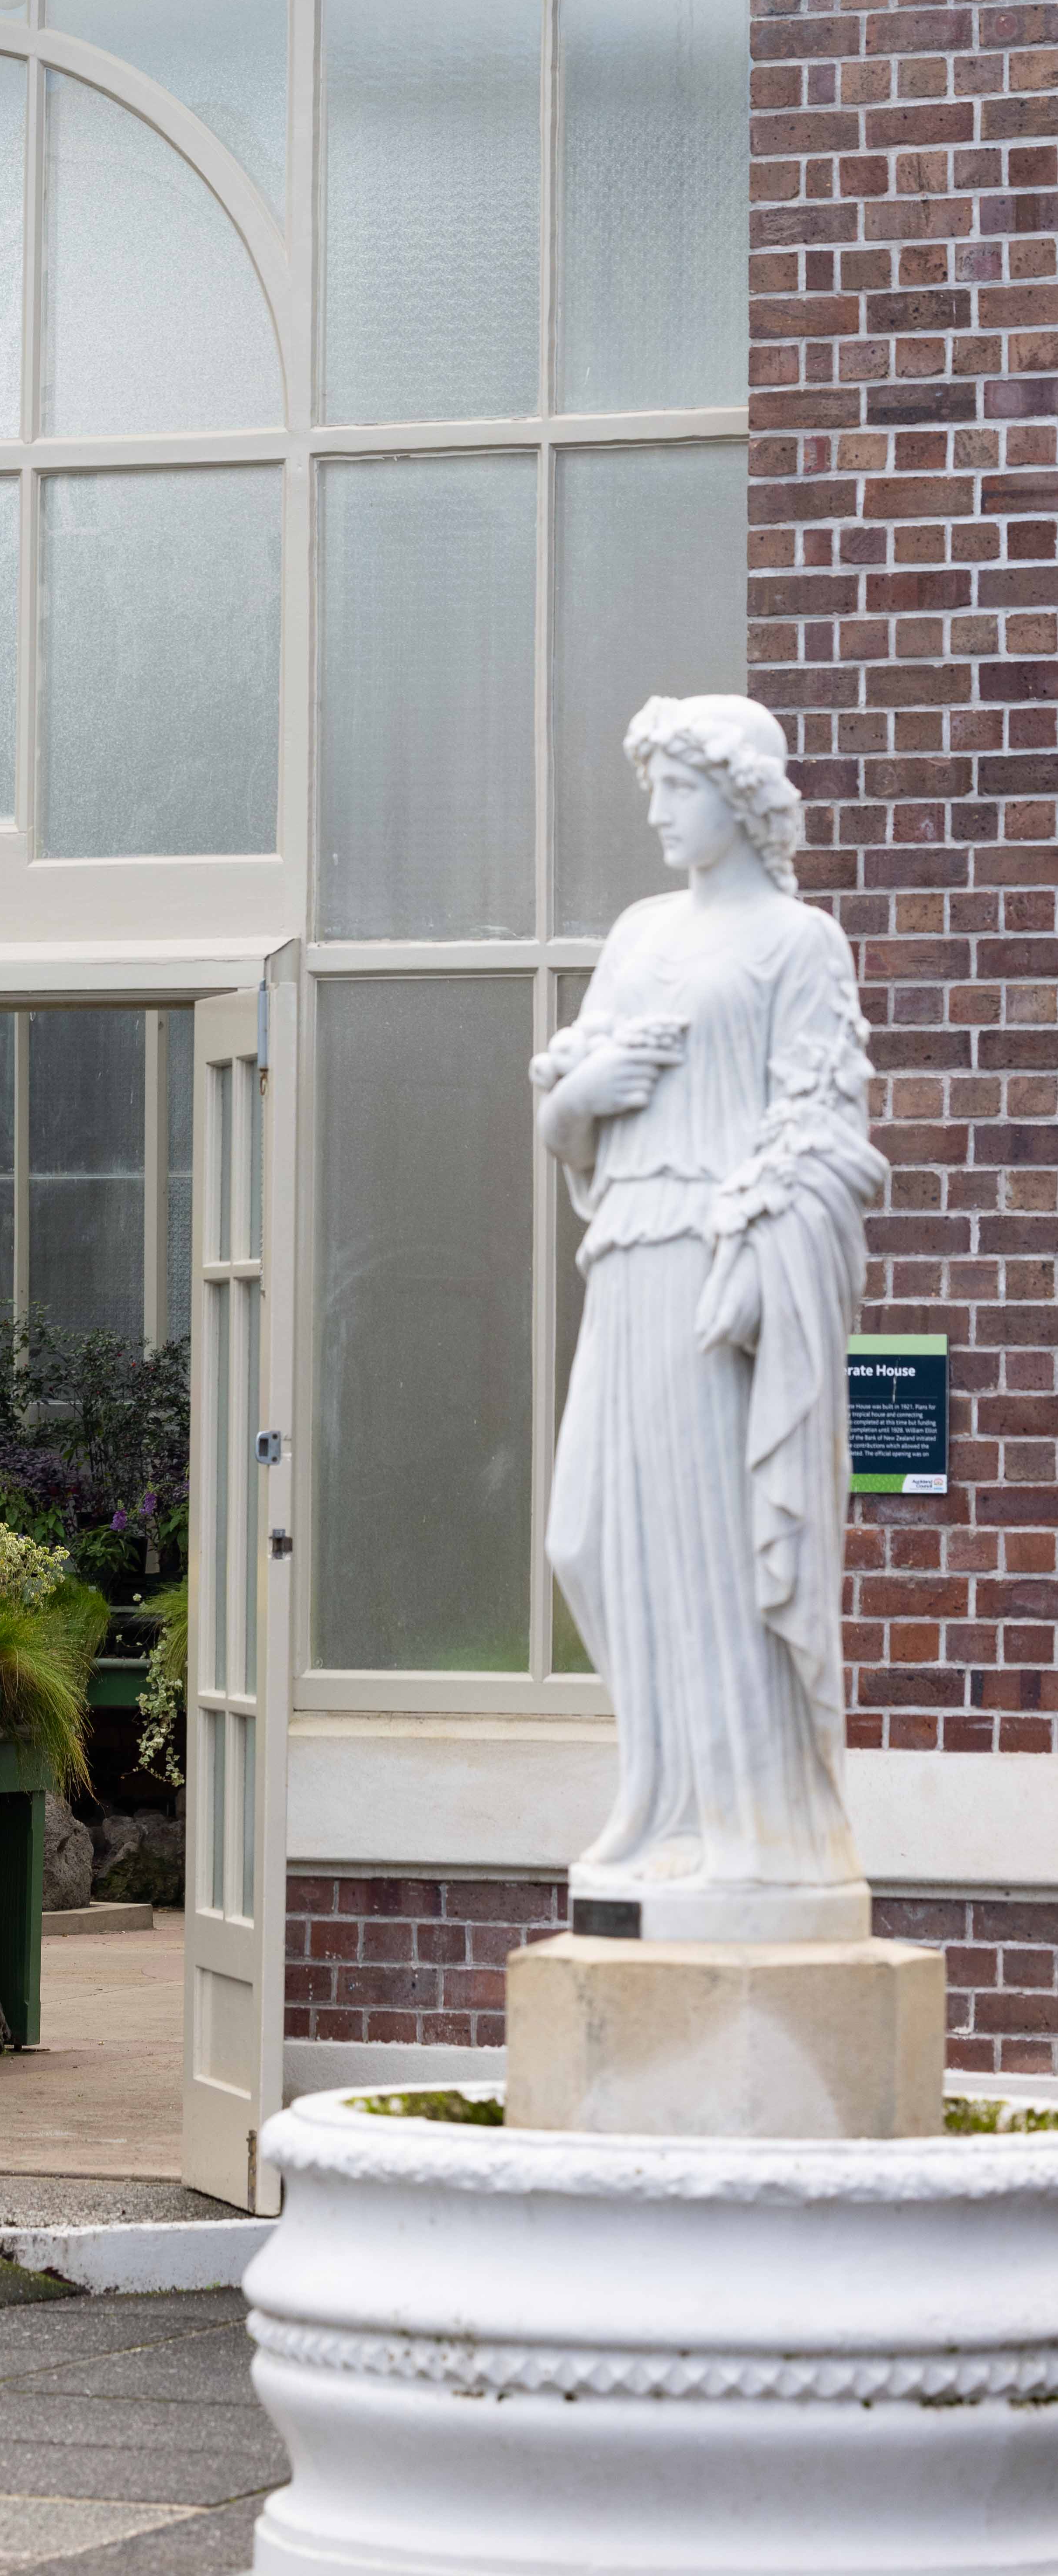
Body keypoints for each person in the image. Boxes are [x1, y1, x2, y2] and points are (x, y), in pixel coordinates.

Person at [533, 693, 886, 1927]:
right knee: (588, 1533)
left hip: (720, 1273)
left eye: (675, 788)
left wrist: (767, 1223)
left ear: (738, 797)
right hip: (627, 1258)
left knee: (711, 1547)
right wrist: (589, 1088)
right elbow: (560, 1125)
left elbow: (831, 1127)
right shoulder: (636, 935)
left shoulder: (801, 944)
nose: (655, 812)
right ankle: (663, 1802)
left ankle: (751, 1829)